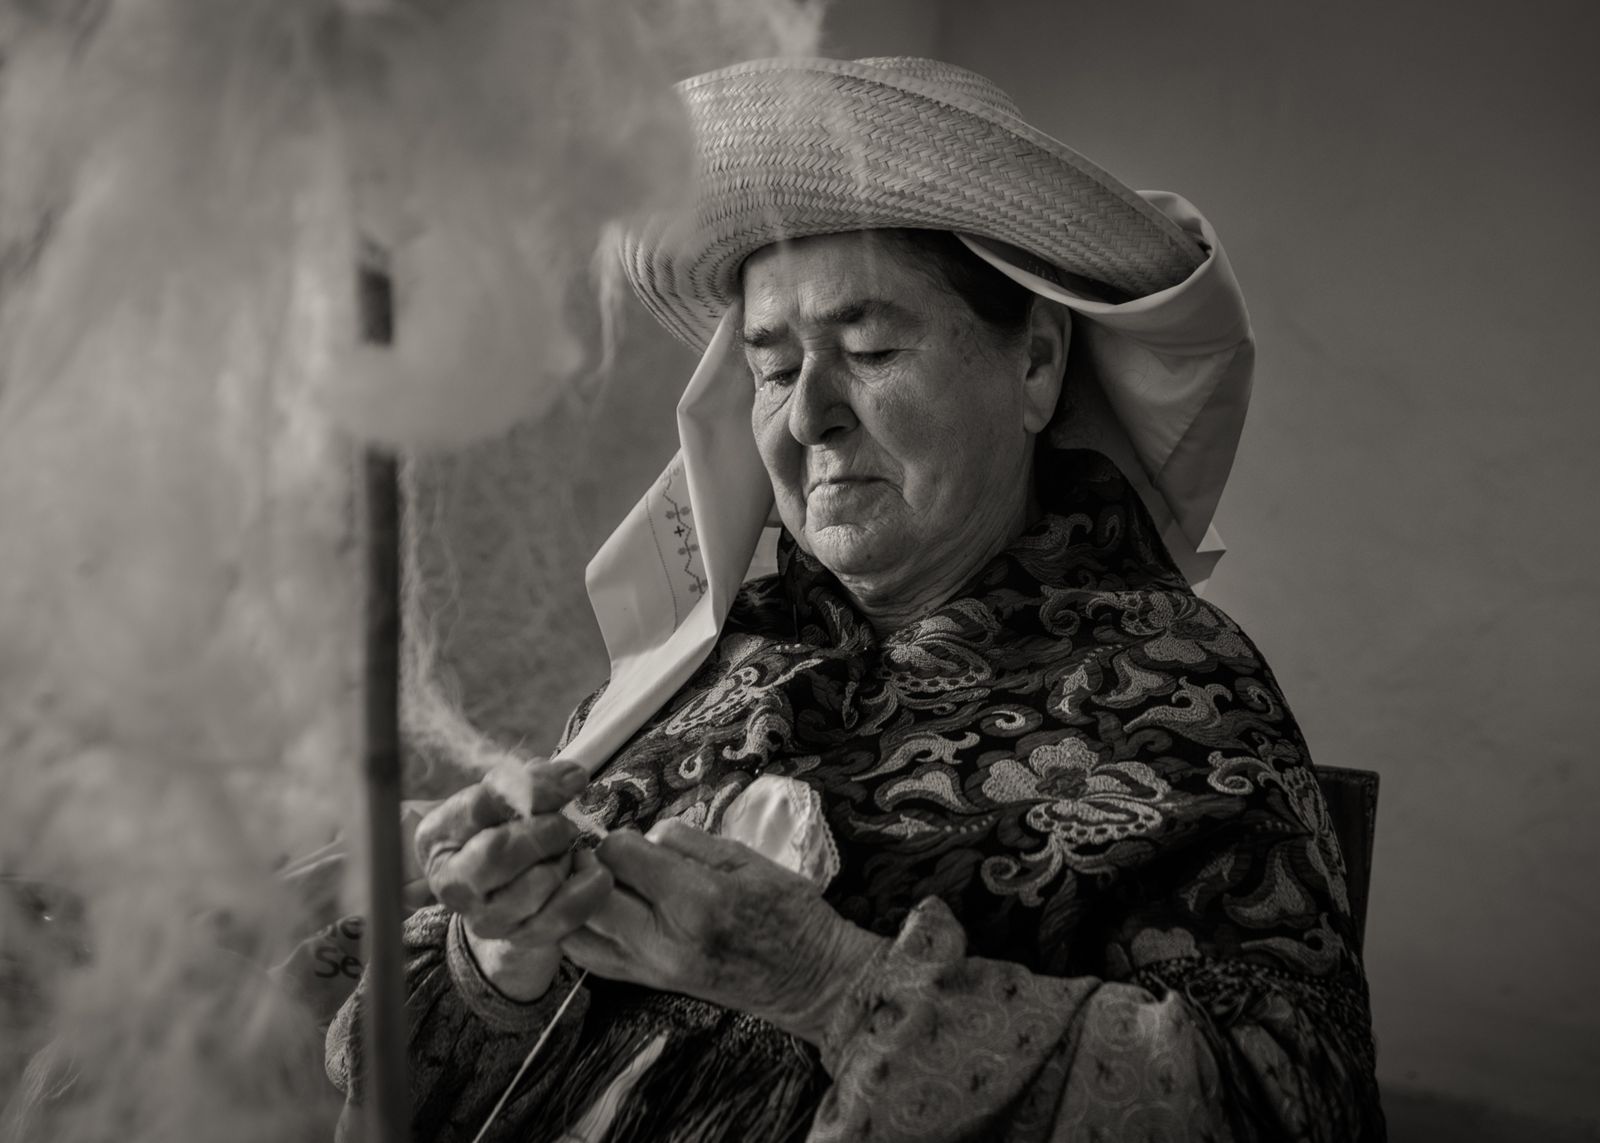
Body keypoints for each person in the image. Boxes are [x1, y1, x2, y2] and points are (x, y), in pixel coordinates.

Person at [322, 56, 1385, 1142]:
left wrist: (834, 986)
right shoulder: (706, 662)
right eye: (773, 368)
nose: (809, 417)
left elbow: (1290, 1102)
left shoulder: (1176, 687)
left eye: (870, 348)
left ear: (1036, 366)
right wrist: (503, 955)